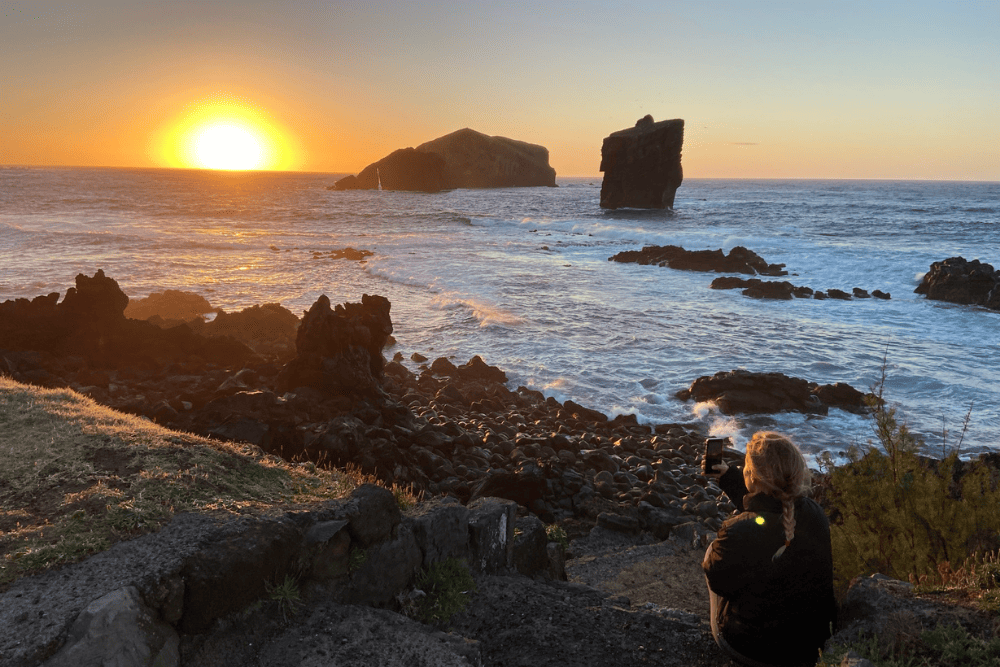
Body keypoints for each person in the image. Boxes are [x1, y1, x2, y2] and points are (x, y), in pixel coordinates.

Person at [702, 431, 836, 667]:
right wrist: (728, 478)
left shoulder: (737, 532)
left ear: (752, 477)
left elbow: (719, 582)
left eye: (745, 467)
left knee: (713, 551)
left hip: (753, 651)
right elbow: (772, 508)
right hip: (810, 649)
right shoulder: (816, 514)